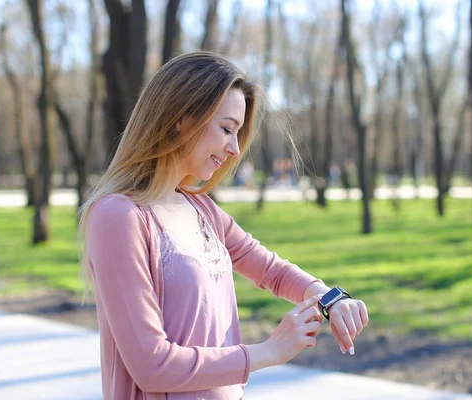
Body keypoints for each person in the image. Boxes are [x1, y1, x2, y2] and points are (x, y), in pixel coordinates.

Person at [79, 52, 369, 400]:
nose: (234, 149)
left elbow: (271, 269)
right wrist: (270, 351)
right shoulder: (118, 216)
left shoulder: (201, 209)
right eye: (227, 129)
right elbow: (152, 366)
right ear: (181, 119)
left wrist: (330, 299)